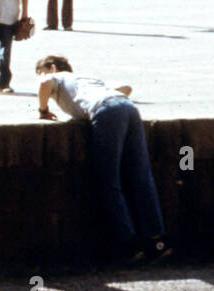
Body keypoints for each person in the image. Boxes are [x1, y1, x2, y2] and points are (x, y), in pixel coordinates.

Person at [34, 55, 170, 265]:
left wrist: (43, 110)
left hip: (105, 112)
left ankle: (129, 244)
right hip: (128, 108)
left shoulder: (58, 77)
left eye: (40, 72)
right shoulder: (85, 78)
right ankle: (157, 241)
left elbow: (45, 83)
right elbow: (126, 88)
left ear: (51, 68)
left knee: (108, 181)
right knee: (141, 176)